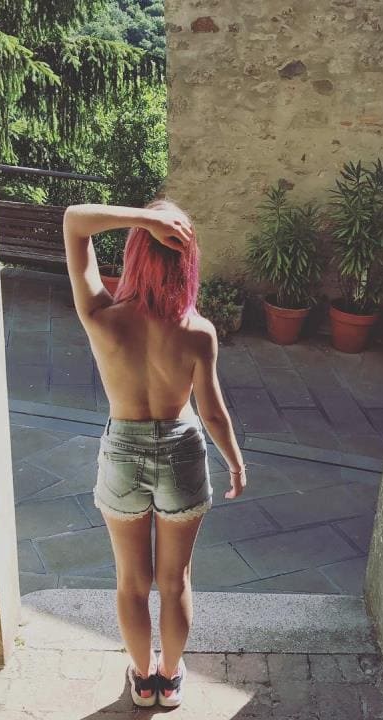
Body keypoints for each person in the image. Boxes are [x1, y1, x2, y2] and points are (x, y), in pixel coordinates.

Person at [63, 198, 247, 707]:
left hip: (123, 450)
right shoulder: (198, 332)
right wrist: (235, 462)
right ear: (187, 262)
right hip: (182, 449)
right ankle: (170, 678)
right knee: (175, 581)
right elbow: (213, 414)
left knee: (131, 582)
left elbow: (74, 222)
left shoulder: (101, 316)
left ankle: (143, 681)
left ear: (135, 253)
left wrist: (144, 220)